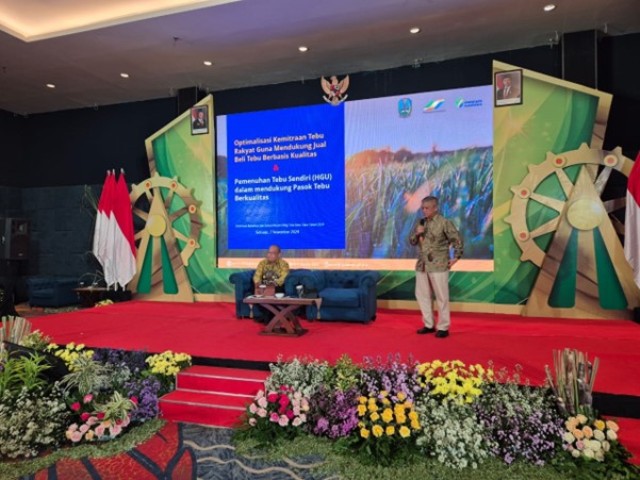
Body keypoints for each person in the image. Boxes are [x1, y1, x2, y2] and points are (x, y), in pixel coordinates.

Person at [409, 196, 463, 338]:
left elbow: (457, 240)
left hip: (439, 264)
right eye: (423, 208)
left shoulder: (444, 222)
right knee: (422, 295)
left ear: (435, 208)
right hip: (422, 264)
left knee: (441, 296)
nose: (424, 210)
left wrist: (456, 257)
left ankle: (443, 327)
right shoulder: (421, 223)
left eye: (427, 208)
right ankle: (428, 324)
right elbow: (412, 241)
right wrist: (417, 233)